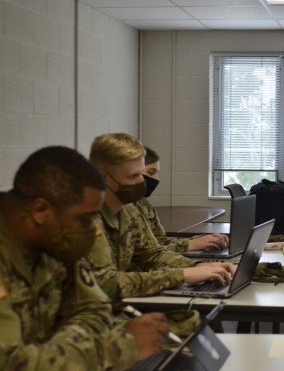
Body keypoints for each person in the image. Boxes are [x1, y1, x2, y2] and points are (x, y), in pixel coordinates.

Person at [0, 146, 169, 370]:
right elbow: (11, 363)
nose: (93, 230)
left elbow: (95, 309)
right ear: (40, 210)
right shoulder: (51, 238)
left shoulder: (55, 239)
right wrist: (119, 347)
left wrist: (66, 351)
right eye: (84, 219)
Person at [85, 133, 235, 307]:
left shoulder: (128, 209)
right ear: (103, 176)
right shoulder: (83, 219)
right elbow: (105, 283)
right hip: (83, 320)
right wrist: (182, 275)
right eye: (133, 176)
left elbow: (152, 253)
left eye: (142, 174)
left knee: (203, 308)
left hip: (117, 306)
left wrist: (198, 266)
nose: (142, 181)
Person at [137, 146, 229, 252]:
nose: (156, 179)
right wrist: (190, 246)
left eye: (157, 173)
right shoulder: (123, 208)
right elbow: (145, 254)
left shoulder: (143, 204)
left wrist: (198, 241)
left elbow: (159, 242)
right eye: (151, 172)